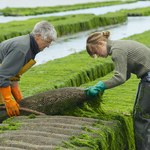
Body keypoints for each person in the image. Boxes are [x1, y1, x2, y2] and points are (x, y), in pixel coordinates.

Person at [85, 31, 150, 150]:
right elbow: (126, 75)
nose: (98, 56)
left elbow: (120, 78)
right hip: (147, 77)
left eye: (96, 52)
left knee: (141, 117)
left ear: (100, 43)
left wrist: (100, 85)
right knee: (141, 115)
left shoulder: (116, 51)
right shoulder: (118, 45)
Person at [0, 20, 57, 117]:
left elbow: (13, 75)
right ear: (38, 36)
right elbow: (2, 76)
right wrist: (8, 100)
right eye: (47, 41)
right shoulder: (22, 49)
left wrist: (20, 100)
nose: (48, 46)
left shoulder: (30, 48)